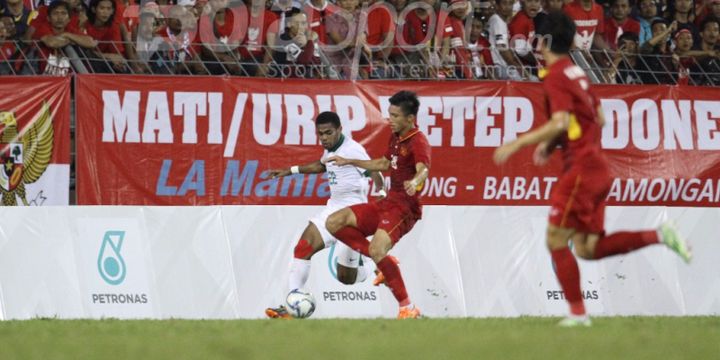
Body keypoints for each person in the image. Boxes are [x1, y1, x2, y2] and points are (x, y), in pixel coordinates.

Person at [493, 11, 692, 327]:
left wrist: (518, 144)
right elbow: (597, 117)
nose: (532, 42)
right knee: (587, 248)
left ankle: (577, 314)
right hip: (598, 167)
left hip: (582, 169)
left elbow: (561, 120)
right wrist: (557, 140)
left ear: (543, 41)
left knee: (556, 240)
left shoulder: (557, 75)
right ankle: (659, 234)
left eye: (535, 36)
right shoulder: (576, 72)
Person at [265, 111, 386, 319]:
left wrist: (382, 193)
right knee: (303, 247)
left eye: (328, 133)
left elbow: (375, 170)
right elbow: (322, 165)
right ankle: (292, 305)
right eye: (320, 134)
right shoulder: (330, 149)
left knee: (346, 278)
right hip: (332, 209)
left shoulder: (353, 150)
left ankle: (372, 266)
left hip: (352, 216)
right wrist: (290, 170)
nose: (324, 138)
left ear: (340, 130)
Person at [325, 90, 431, 320]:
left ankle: (407, 308)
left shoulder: (418, 140)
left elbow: (424, 169)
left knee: (376, 249)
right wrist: (350, 160)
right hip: (388, 201)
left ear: (410, 118)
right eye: (389, 114)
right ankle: (385, 262)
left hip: (405, 209)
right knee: (334, 222)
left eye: (394, 116)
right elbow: (384, 162)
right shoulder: (395, 136)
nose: (389, 119)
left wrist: (415, 181)